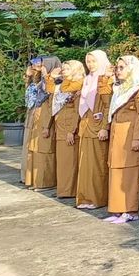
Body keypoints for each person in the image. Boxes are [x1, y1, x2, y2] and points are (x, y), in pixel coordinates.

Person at [102, 55, 139, 224]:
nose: (118, 70)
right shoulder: (119, 89)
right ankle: (117, 209)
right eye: (117, 67)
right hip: (117, 134)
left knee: (130, 172)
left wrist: (137, 138)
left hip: (130, 134)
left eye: (122, 67)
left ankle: (130, 210)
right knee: (116, 170)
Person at [76, 50, 112, 209]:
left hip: (98, 128)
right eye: (88, 61)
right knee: (85, 165)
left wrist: (105, 127)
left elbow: (108, 106)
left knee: (97, 165)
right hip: (86, 126)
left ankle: (97, 199)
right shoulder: (88, 79)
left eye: (93, 61)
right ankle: (85, 198)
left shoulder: (105, 80)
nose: (90, 64)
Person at [24, 57, 60, 190]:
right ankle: (35, 181)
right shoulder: (42, 81)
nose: (41, 68)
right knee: (35, 150)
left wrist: (47, 125)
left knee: (44, 151)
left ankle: (46, 182)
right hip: (38, 118)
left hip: (46, 119)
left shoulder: (56, 81)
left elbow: (51, 101)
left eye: (44, 65)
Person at [53, 60, 85, 199]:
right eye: (63, 68)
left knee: (69, 161)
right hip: (61, 125)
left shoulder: (79, 84)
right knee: (62, 161)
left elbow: (77, 110)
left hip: (70, 127)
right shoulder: (64, 83)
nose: (63, 71)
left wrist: (71, 130)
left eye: (67, 68)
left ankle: (69, 190)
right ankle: (63, 189)